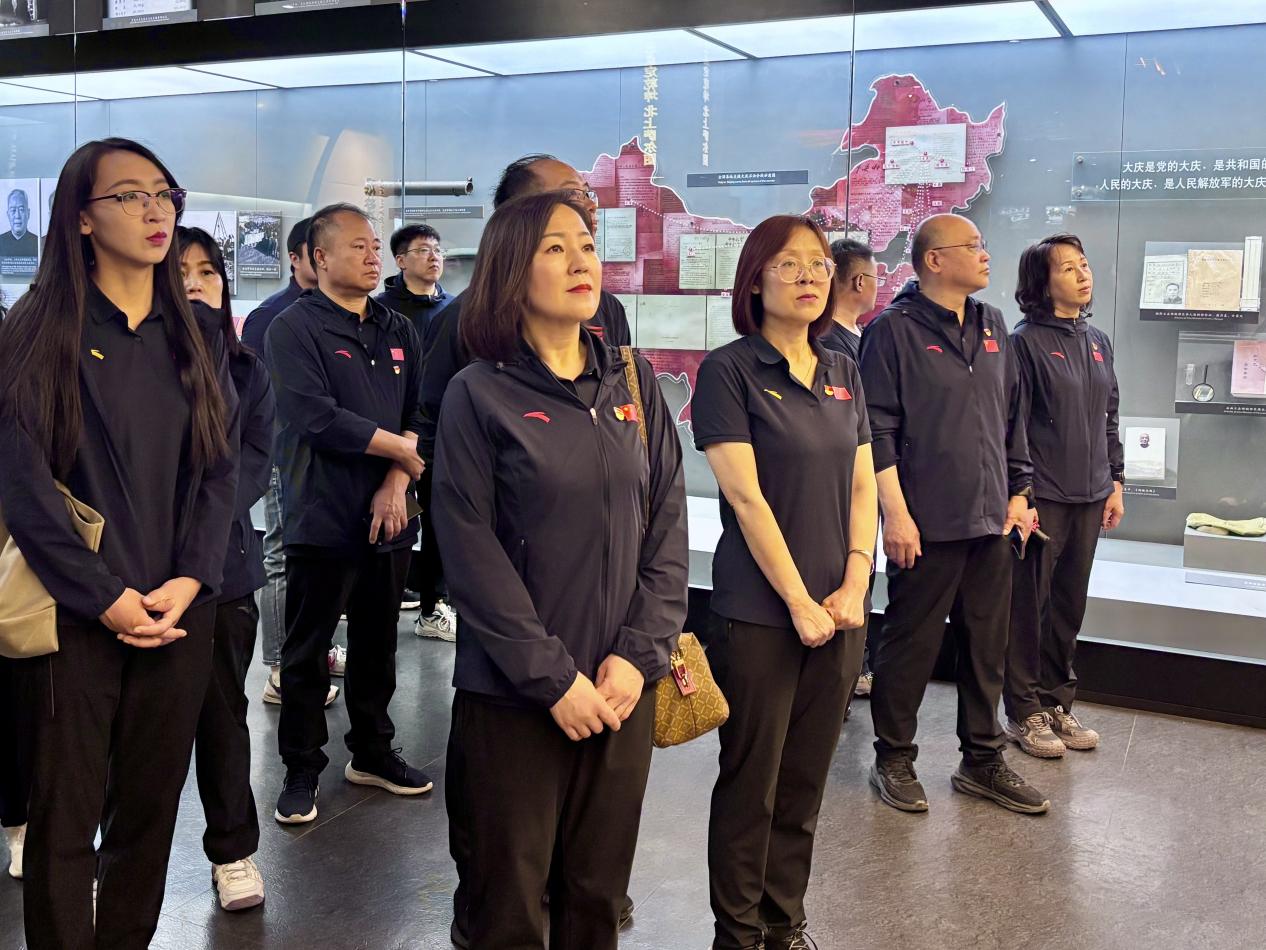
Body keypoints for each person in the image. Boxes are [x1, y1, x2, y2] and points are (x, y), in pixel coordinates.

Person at [432, 190, 688, 950]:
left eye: (586, 244)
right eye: (554, 248)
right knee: (507, 905)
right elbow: (470, 551)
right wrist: (553, 679)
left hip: (621, 691)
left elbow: (666, 528)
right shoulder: (479, 393)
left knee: (596, 899)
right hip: (515, 698)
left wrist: (637, 658)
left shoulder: (633, 383)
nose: (581, 261)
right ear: (512, 270)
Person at [0, 137, 239, 948]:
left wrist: (193, 578)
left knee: (148, 812)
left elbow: (220, 470)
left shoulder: (197, 332)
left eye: (163, 193)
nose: (154, 210)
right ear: (80, 219)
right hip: (74, 618)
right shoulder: (40, 329)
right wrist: (103, 596)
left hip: (178, 611)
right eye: (129, 195)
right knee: (64, 819)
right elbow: (25, 489)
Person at [693, 215, 876, 950]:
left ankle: (784, 922)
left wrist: (857, 581)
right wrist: (797, 600)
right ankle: (737, 934)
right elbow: (745, 499)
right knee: (752, 782)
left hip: (841, 608)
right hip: (760, 614)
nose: (808, 276)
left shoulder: (843, 369)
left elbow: (863, 485)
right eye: (789, 263)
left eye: (818, 264)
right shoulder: (729, 371)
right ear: (755, 279)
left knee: (804, 780)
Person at [858, 213, 1049, 816]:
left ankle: (982, 759)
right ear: (934, 260)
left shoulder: (993, 324)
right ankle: (894, 757)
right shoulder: (891, 331)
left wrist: (1021, 492)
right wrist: (896, 515)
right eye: (973, 246)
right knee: (909, 645)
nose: (986, 254)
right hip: (926, 522)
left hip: (993, 519)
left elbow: (1012, 415)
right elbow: (875, 431)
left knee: (987, 645)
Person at [417, 155, 632, 644]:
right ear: (517, 220)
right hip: (515, 599)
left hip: (609, 605)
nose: (588, 205)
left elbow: (659, 508)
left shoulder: (608, 316)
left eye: (585, 195)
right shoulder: (465, 338)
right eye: (572, 194)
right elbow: (438, 442)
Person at [265, 202, 432, 826]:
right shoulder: (293, 328)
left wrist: (397, 479)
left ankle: (372, 751)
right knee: (308, 649)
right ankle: (301, 767)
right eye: (357, 245)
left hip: (391, 515)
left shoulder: (396, 327)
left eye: (374, 246)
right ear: (319, 256)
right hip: (323, 513)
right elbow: (315, 417)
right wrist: (401, 452)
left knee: (378, 641)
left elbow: (420, 413)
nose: (372, 255)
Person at [179, 226, 276, 911]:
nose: (194, 283)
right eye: (179, 271)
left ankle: (233, 850)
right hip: (129, 575)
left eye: (208, 271)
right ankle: (114, 855)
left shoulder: (245, 370)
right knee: (127, 729)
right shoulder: (123, 365)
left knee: (221, 717)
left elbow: (252, 465)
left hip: (223, 570)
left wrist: (194, 533)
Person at [1003, 234, 1122, 757]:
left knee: (1069, 607)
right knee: (1029, 608)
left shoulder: (1098, 341)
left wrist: (1116, 481)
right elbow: (1013, 425)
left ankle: (1057, 702)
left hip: (1092, 493)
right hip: (1043, 496)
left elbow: (1109, 415)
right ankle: (1023, 710)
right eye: (1067, 267)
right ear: (1042, 282)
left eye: (1084, 264)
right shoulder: (1024, 343)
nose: (1081, 274)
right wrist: (1021, 493)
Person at [241, 218, 343, 705]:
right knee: (282, 553)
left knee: (320, 557)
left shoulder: (335, 312)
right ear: (297, 258)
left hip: (327, 457)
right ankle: (281, 666)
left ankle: (314, 651)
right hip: (285, 455)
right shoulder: (270, 316)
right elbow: (252, 393)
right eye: (314, 252)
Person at [377, 223, 455, 629]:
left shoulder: (454, 309)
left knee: (442, 520)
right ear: (401, 261)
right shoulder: (382, 310)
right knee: (399, 515)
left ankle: (433, 605)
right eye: (423, 250)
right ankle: (384, 601)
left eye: (437, 249)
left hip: (444, 435)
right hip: (397, 435)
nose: (434, 256)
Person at [824, 237, 882, 703]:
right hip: (839, 488)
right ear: (859, 282)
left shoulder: (858, 339)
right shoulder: (830, 346)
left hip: (865, 482)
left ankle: (855, 667)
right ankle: (843, 677)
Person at [0, 188, 38, 278]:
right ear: (8, 214)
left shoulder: (38, 242)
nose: (17, 216)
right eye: (13, 210)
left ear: (28, 213)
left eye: (21, 210)